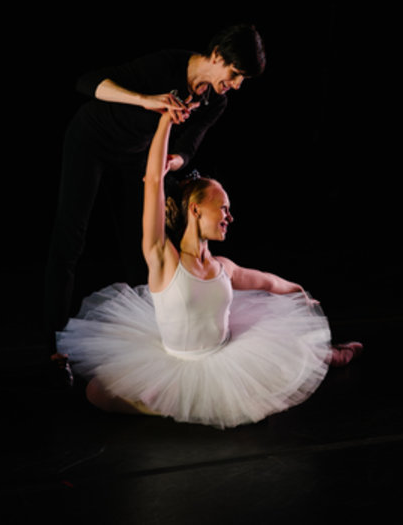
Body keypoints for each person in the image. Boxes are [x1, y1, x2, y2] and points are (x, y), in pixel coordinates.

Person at [56, 108, 363, 428]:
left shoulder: (223, 267)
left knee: (292, 348)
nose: (230, 217)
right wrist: (165, 123)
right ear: (196, 209)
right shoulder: (163, 257)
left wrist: (297, 290)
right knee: (97, 392)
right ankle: (178, 404)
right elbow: (153, 182)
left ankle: (332, 354)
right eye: (224, 209)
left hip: (225, 352)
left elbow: (267, 282)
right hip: (176, 360)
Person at [44, 24, 266, 382]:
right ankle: (54, 348)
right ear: (216, 56)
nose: (237, 84)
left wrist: (173, 162)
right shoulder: (167, 65)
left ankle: (155, 341)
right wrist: (145, 99)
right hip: (91, 139)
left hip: (135, 155)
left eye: (243, 79)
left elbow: (189, 146)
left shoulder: (216, 100)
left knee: (141, 247)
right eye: (235, 73)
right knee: (71, 240)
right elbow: (86, 82)